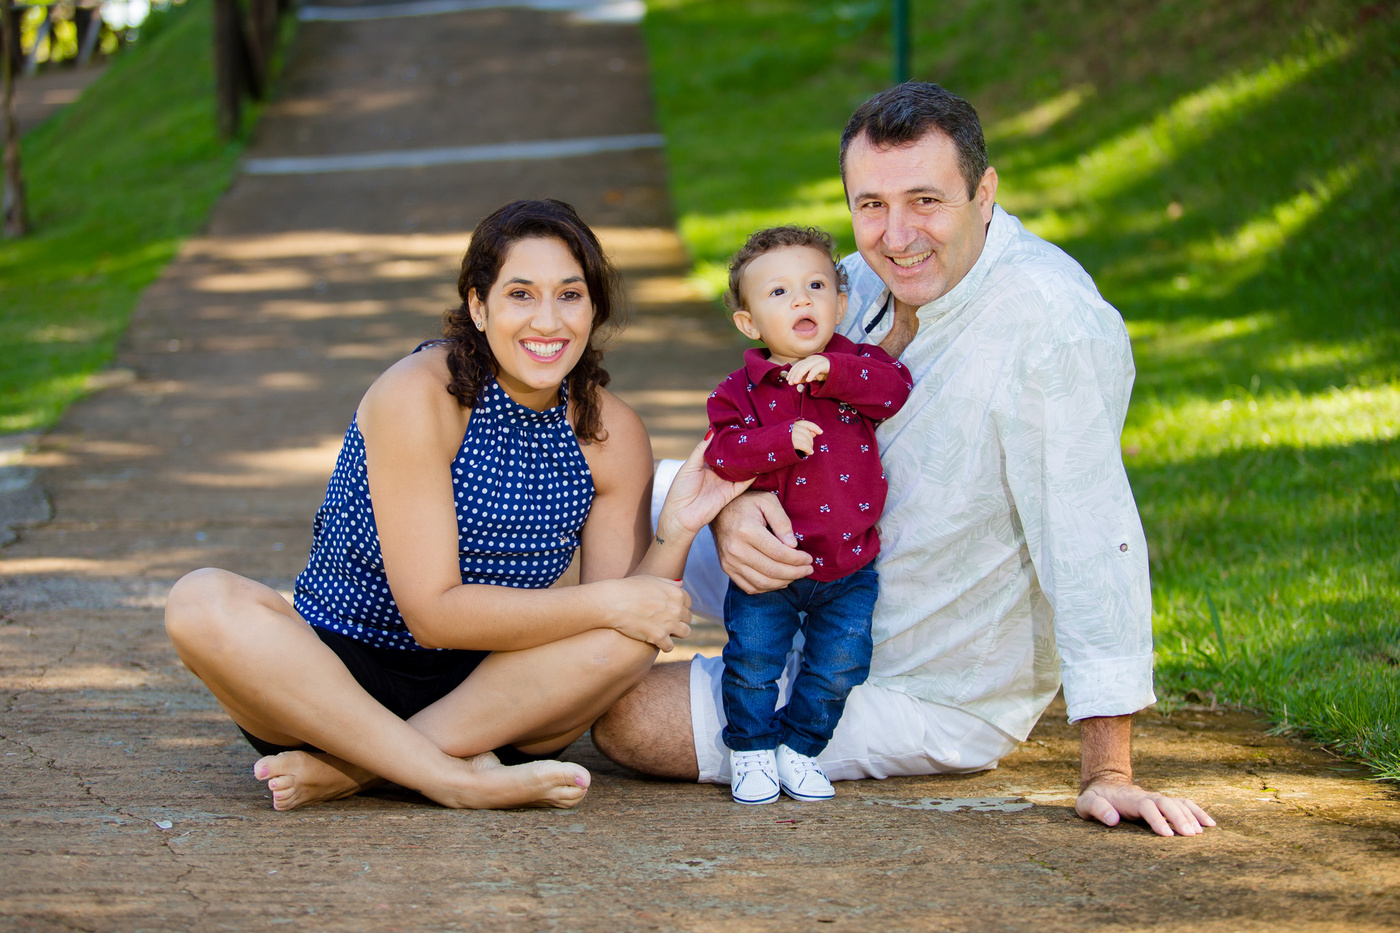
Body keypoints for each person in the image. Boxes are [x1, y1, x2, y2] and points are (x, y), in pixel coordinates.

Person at [594, 84, 1216, 837]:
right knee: (603, 497)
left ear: (984, 193)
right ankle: (474, 687)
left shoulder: (1054, 327)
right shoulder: (858, 279)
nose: (896, 236)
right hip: (802, 558)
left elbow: (1089, 534)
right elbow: (764, 396)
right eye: (871, 205)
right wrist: (735, 503)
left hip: (923, 674)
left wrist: (1108, 772)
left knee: (626, 717)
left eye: (926, 200)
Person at [164, 199, 750, 811]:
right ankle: (451, 778)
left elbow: (633, 614)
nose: (547, 321)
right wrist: (609, 602)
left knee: (627, 642)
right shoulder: (418, 393)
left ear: (593, 308)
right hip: (331, 683)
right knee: (200, 601)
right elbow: (433, 615)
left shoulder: (612, 434)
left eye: (570, 295)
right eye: (520, 294)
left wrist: (678, 527)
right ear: (478, 306)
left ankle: (351, 772)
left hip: (493, 699)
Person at [703, 225, 911, 804]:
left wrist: (834, 373)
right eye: (779, 292)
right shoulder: (739, 391)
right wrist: (778, 442)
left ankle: (799, 749)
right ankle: (750, 751)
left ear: (840, 305)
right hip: (772, 566)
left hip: (849, 567)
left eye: (816, 286)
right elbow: (722, 453)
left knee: (840, 665)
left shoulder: (858, 366)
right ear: (749, 323)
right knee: (752, 663)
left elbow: (895, 391)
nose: (801, 300)